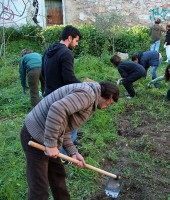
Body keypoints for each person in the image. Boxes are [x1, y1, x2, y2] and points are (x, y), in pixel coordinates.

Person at [20, 81, 119, 200]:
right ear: (108, 96)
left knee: (58, 175)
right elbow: (57, 109)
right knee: (39, 188)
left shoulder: (90, 95)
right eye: (110, 103)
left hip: (48, 137)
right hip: (35, 135)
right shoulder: (87, 95)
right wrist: (51, 144)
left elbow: (63, 125)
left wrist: (73, 152)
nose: (108, 106)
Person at [41, 25, 82, 160]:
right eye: (76, 41)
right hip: (61, 96)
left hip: (49, 93)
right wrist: (84, 86)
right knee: (72, 122)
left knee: (57, 125)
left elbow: (43, 74)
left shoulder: (48, 51)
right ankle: (65, 156)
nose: (76, 44)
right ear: (69, 38)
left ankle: (67, 148)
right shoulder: (66, 53)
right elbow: (69, 78)